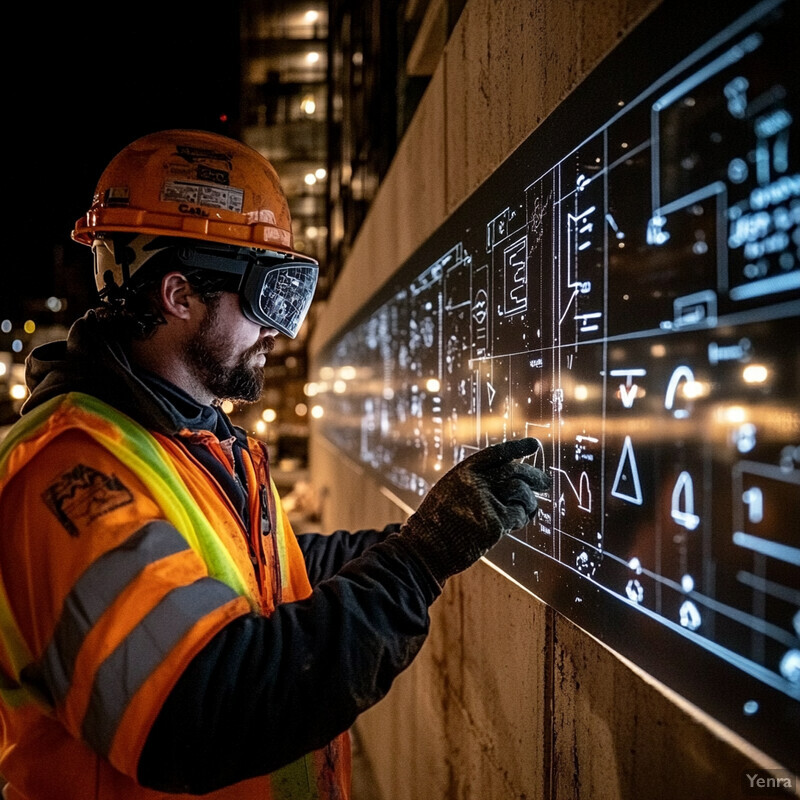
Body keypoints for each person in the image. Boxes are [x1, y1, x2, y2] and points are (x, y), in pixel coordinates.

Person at [0, 129, 550, 799]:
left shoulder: (190, 439)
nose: (278, 331)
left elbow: (272, 573)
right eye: (267, 297)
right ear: (179, 295)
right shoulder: (71, 476)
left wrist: (427, 537)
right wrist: (419, 561)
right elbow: (203, 709)